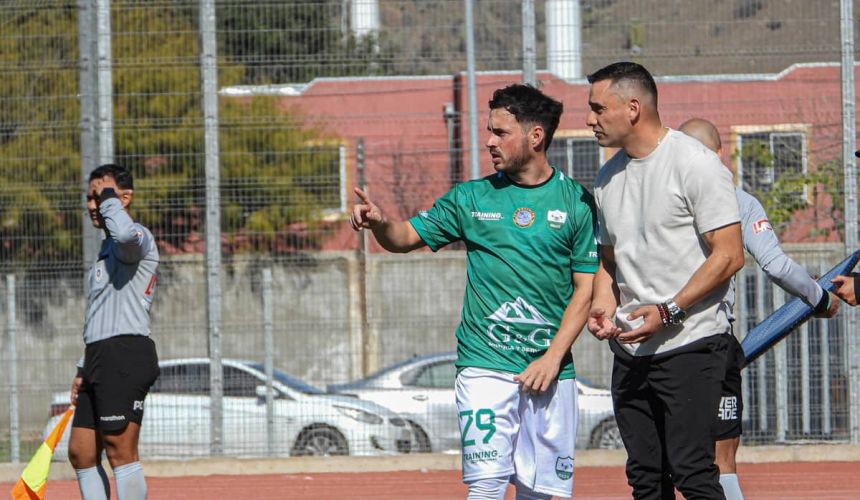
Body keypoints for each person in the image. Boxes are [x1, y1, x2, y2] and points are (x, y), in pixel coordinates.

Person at [350, 84, 598, 499]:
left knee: (538, 492)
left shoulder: (576, 202)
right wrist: (379, 222)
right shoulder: (470, 198)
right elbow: (404, 237)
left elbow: (585, 289)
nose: (489, 141)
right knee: (486, 485)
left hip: (551, 371)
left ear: (535, 136)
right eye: (488, 131)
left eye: (501, 132)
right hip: (485, 365)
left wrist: (552, 358)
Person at [585, 62, 745, 499]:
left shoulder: (694, 164)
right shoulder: (606, 178)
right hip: (632, 351)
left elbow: (730, 255)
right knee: (645, 478)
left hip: (691, 345)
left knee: (692, 472)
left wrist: (670, 309)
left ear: (633, 107)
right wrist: (602, 307)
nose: (589, 119)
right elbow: (609, 263)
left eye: (598, 108)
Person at [679, 118, 839, 500]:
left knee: (661, 461)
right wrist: (821, 298)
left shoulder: (651, 198)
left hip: (654, 343)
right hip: (710, 345)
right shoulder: (737, 200)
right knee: (720, 462)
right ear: (720, 154)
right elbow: (777, 265)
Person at [68, 164, 160, 500]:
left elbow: (123, 233)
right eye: (90, 197)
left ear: (125, 197)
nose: (93, 205)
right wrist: (83, 367)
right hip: (99, 357)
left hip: (125, 353)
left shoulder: (136, 239)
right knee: (81, 451)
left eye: (101, 195)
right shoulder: (105, 253)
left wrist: (110, 199)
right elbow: (99, 315)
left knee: (119, 452)